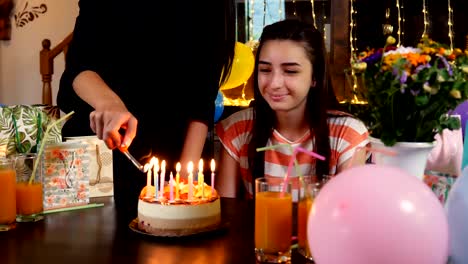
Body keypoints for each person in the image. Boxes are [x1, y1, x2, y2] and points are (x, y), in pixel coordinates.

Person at [57, 0, 236, 219]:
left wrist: (180, 188)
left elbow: (200, 101)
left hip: (167, 159)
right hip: (93, 153)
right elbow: (79, 65)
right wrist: (109, 103)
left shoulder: (209, 9)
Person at [215, 19, 369, 198]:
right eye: (265, 70)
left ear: (315, 77)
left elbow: (349, 217)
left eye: (290, 71)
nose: (274, 83)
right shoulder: (238, 128)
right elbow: (227, 211)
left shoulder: (346, 133)